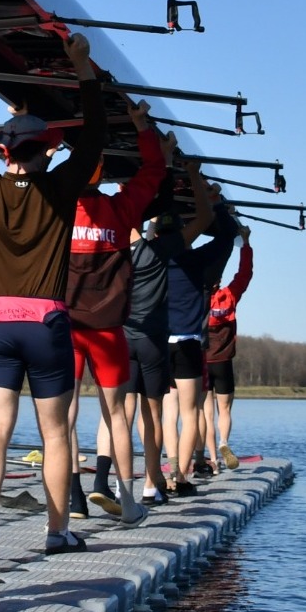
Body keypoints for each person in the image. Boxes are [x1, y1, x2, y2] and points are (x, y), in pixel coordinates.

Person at [0, 30, 105, 558]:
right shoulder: (59, 187)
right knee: (55, 435)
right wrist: (83, 69)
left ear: (4, 152)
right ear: (48, 153)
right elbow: (95, 135)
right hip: (47, 326)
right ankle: (57, 533)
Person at [63, 99, 164, 524]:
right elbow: (154, 172)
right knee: (116, 415)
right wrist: (143, 128)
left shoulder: (58, 209)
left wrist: (38, 138)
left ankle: (72, 500)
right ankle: (126, 502)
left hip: (65, 328)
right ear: (100, 173)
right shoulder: (122, 209)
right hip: (108, 332)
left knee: (62, 417)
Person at [118, 167, 213, 505]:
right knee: (159, 415)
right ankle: (161, 482)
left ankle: (120, 486)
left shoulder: (129, 248)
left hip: (127, 338)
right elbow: (205, 218)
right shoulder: (175, 254)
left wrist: (131, 185)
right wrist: (195, 178)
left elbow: (132, 221)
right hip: (160, 342)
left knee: (123, 416)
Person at [163, 194, 241, 495]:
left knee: (167, 413)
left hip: (159, 343)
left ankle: (166, 472)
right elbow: (226, 238)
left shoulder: (150, 256)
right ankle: (182, 477)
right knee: (192, 412)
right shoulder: (196, 261)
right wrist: (217, 205)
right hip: (188, 343)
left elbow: (134, 234)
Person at [202, 223, 253, 472]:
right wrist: (246, 245)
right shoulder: (229, 297)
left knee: (205, 412)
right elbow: (245, 274)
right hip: (223, 362)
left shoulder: (197, 298)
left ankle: (212, 458)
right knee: (225, 409)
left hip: (202, 362)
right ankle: (224, 443)